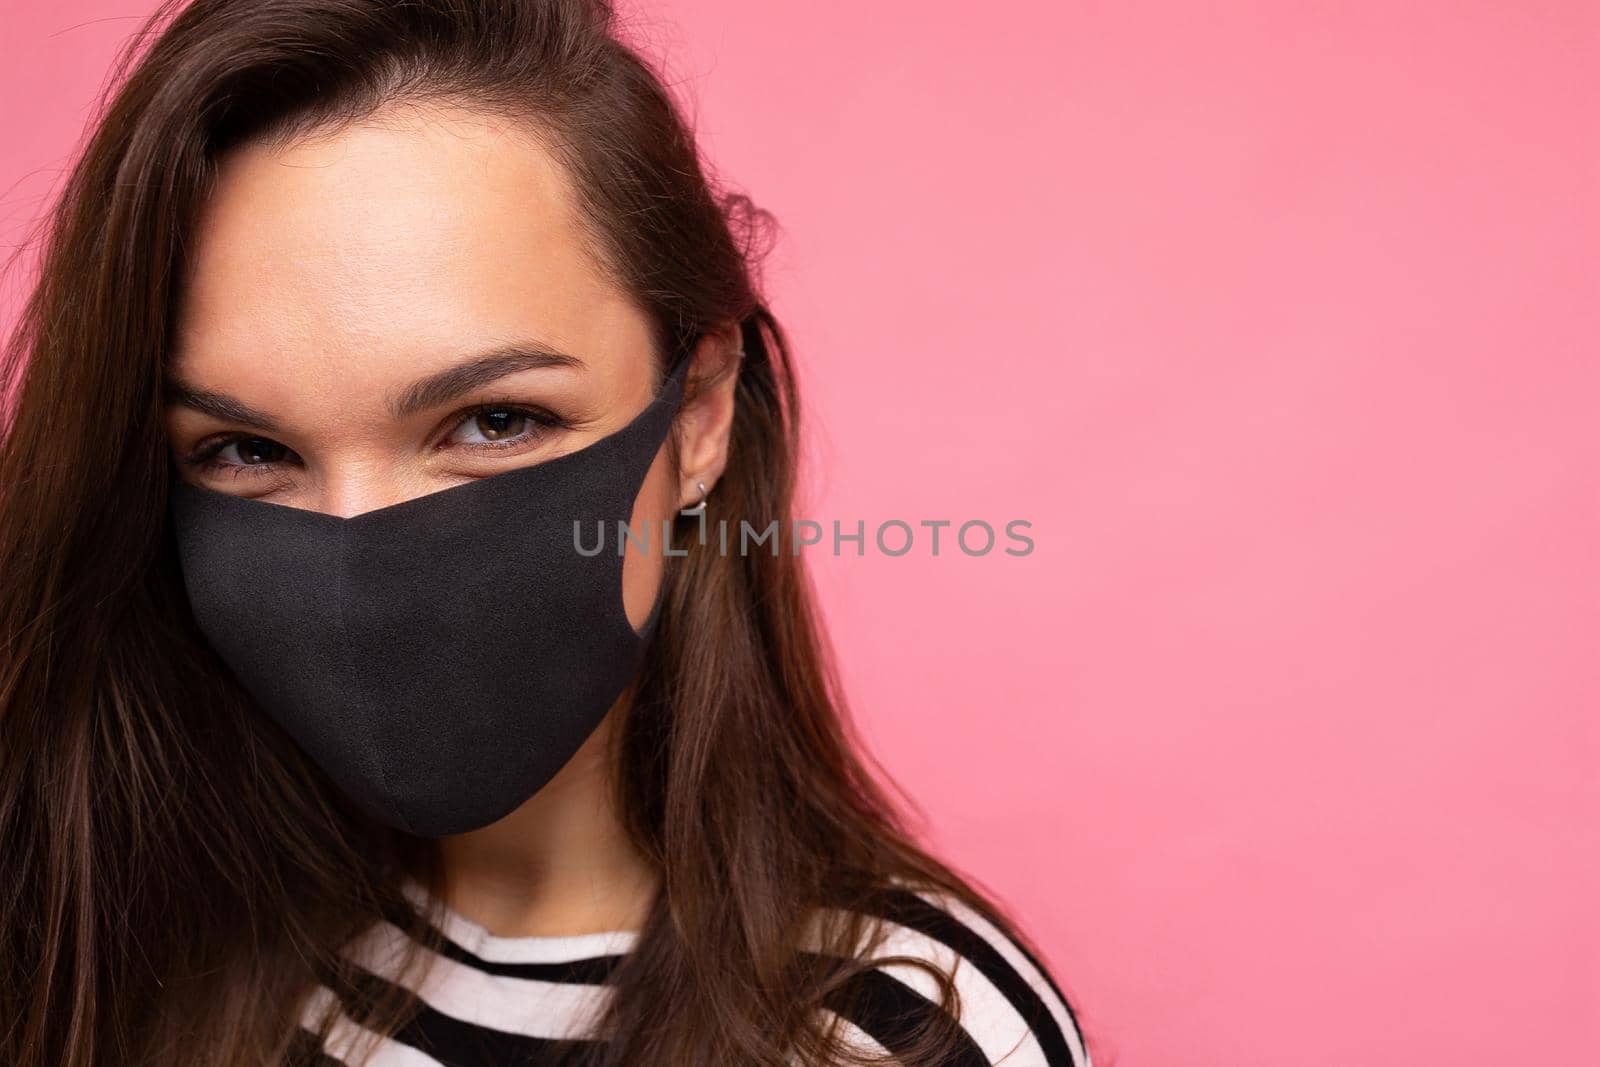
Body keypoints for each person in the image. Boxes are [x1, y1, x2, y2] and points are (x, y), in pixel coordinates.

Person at [0, 1, 1095, 1065]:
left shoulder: (892, 1029)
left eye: (495, 420)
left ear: (700, 413)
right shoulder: (101, 942)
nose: (358, 564)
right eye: (245, 447)